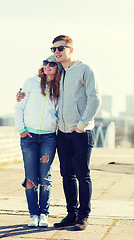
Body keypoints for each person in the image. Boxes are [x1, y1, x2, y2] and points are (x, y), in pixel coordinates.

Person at [17, 35, 101, 231]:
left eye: (61, 48)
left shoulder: (85, 69)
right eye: (54, 48)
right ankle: (71, 213)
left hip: (81, 131)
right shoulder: (60, 71)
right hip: (61, 132)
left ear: (70, 49)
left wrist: (82, 124)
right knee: (66, 174)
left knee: (82, 174)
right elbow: (42, 81)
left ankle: (83, 216)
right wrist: (21, 94)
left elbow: (94, 99)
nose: (57, 52)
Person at [15, 55, 63, 227]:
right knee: (30, 177)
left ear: (58, 68)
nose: (47, 66)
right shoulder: (30, 82)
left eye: (52, 64)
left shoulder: (60, 85)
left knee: (45, 178)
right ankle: (33, 214)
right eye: (45, 62)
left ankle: (44, 214)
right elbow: (19, 106)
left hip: (49, 136)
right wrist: (21, 129)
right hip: (29, 137)